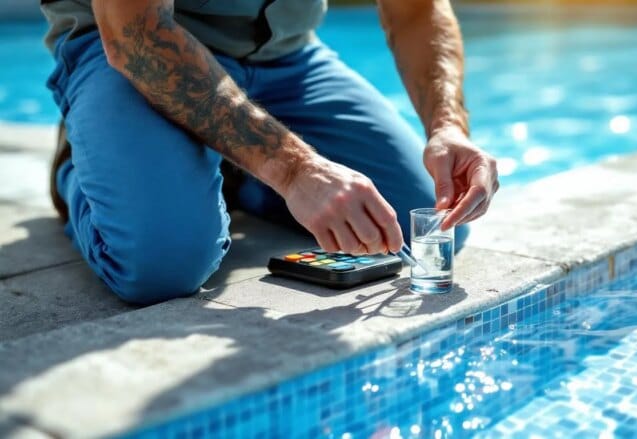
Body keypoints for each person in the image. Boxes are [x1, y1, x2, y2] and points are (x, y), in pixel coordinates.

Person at [41, 0, 499, 305]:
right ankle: (80, 166)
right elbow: (132, 31)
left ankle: (235, 167)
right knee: (162, 264)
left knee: (429, 223)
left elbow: (416, 9)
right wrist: (297, 171)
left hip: (288, 60)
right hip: (135, 49)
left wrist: (447, 126)